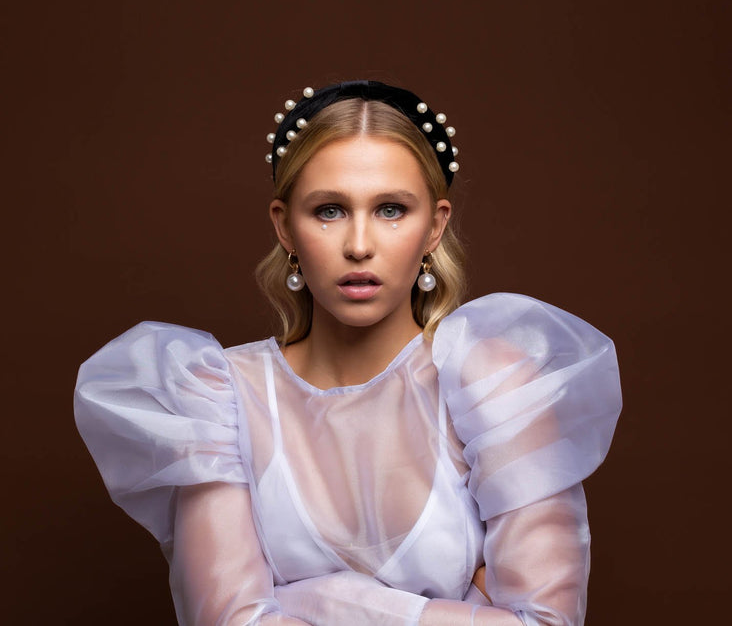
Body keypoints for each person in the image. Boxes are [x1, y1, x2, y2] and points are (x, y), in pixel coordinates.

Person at [75, 80, 622, 625]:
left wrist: (321, 599)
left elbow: (545, 622)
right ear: (284, 226)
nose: (359, 245)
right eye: (330, 210)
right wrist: (460, 612)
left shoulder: (493, 381)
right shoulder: (219, 398)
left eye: (391, 209)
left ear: (435, 226)